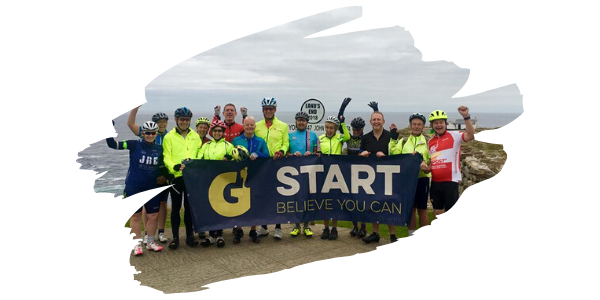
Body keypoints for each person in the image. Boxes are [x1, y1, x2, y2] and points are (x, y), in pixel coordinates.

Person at [106, 121, 165, 255]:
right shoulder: (134, 144)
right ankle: (136, 244)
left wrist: (166, 176)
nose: (150, 135)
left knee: (153, 215)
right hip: (134, 185)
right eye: (147, 133)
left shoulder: (159, 148)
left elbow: (161, 166)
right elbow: (113, 145)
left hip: (152, 186)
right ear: (143, 133)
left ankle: (150, 242)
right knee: (136, 216)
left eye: (153, 133)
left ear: (156, 134)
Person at [126, 105, 169, 244]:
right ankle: (146, 235)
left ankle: (160, 233)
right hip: (147, 178)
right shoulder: (147, 132)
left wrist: (165, 175)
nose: (162, 124)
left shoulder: (170, 136)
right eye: (159, 122)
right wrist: (135, 109)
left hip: (162, 176)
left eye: (164, 122)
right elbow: (131, 124)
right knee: (145, 207)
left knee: (161, 205)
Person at [191, 120, 236, 248]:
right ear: (212, 132)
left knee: (220, 207)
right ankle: (211, 235)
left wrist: (230, 158)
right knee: (210, 207)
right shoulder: (206, 145)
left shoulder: (228, 145)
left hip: (222, 180)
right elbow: (198, 159)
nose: (217, 133)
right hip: (208, 179)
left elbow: (235, 160)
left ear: (223, 132)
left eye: (219, 131)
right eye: (215, 131)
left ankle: (220, 235)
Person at [163, 107, 202, 249]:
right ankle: (175, 238)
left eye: (186, 120)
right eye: (181, 119)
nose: (184, 122)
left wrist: (195, 164)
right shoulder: (169, 137)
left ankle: (189, 236)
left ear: (190, 120)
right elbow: (166, 156)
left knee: (189, 208)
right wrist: (173, 166)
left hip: (191, 177)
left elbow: (198, 154)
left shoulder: (195, 136)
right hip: (177, 177)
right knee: (175, 208)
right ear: (176, 120)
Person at [359, 110, 399, 243]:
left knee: (388, 205)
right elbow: (360, 154)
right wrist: (361, 155)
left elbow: (397, 154)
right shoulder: (365, 138)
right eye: (374, 119)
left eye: (378, 119)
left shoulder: (390, 137)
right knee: (374, 205)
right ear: (370, 122)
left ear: (383, 121)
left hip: (387, 177)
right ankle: (375, 233)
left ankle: (392, 235)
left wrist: (386, 157)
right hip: (371, 178)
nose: (376, 121)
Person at [428, 106, 475, 215]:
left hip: (450, 182)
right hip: (435, 183)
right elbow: (433, 161)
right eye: (436, 123)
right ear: (432, 125)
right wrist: (427, 167)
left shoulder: (454, 136)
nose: (439, 125)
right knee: (438, 214)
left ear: (446, 123)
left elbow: (471, 135)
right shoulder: (430, 141)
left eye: (441, 122)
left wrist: (466, 117)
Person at [389, 113, 431, 236]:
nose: (416, 127)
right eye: (414, 124)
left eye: (419, 124)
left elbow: (432, 160)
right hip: (407, 181)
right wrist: (393, 138)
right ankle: (411, 236)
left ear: (423, 126)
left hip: (422, 179)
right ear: (410, 126)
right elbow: (394, 155)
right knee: (411, 209)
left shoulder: (428, 142)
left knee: (422, 210)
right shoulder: (403, 141)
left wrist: (427, 167)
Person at [254, 97, 289, 240]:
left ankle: (278, 228)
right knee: (262, 196)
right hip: (262, 165)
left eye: (271, 108)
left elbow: (286, 143)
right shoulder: (257, 126)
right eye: (266, 109)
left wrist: (281, 151)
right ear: (263, 110)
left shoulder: (283, 126)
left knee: (277, 196)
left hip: (277, 164)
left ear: (275, 110)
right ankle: (263, 227)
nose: (268, 111)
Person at [231, 116, 270, 243]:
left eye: (252, 125)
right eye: (247, 125)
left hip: (255, 176)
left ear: (255, 126)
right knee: (238, 203)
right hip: (240, 175)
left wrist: (258, 154)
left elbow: (268, 156)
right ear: (243, 125)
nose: (249, 127)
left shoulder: (260, 141)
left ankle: (253, 230)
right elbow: (231, 156)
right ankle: (239, 230)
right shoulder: (236, 140)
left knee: (254, 203)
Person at [287, 111, 319, 237]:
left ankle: (306, 226)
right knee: (296, 199)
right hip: (294, 171)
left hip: (308, 171)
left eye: (303, 120)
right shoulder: (290, 135)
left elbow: (317, 153)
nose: (301, 122)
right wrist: (293, 155)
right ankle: (296, 226)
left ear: (307, 122)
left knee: (307, 199)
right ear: (296, 121)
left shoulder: (313, 135)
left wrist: (311, 154)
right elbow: (287, 153)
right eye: (299, 120)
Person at [318, 115, 350, 240]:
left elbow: (348, 137)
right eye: (327, 127)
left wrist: (343, 123)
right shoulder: (320, 138)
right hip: (324, 173)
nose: (329, 130)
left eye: (331, 128)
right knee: (325, 203)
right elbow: (318, 152)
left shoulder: (339, 138)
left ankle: (334, 228)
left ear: (335, 128)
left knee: (335, 203)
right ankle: (326, 228)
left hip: (337, 173)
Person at [346, 116, 368, 238]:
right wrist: (342, 109)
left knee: (362, 202)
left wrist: (376, 110)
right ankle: (355, 226)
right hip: (350, 172)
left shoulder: (365, 139)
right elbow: (341, 123)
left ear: (362, 129)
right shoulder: (348, 138)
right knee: (352, 201)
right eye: (354, 129)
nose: (356, 131)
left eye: (358, 129)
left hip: (362, 173)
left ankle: (363, 228)